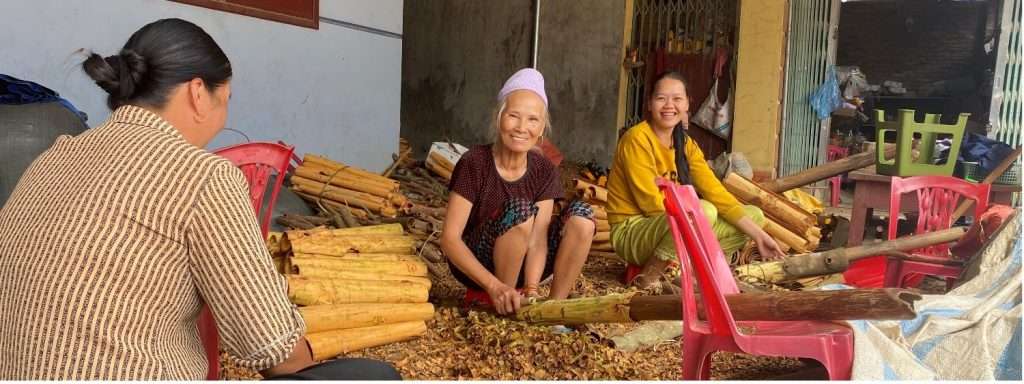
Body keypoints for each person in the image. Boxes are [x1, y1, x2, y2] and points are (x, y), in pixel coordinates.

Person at [0, 18, 399, 380]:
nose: (224, 116)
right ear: (197, 93)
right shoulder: (203, 177)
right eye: (225, 99)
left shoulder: (56, 155)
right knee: (374, 376)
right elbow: (271, 346)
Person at [606, 71, 785, 291]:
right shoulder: (637, 139)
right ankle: (648, 278)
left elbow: (716, 192)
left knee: (753, 217)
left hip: (671, 225)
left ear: (687, 105)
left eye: (677, 99)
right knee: (702, 211)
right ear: (650, 104)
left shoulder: (686, 144)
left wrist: (759, 236)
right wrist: (694, 222)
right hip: (633, 231)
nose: (669, 105)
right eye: (661, 98)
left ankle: (684, 268)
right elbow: (651, 205)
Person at [441, 68, 595, 316]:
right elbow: (450, 239)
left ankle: (553, 311)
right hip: (480, 263)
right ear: (498, 118)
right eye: (513, 116)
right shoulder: (474, 163)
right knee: (520, 211)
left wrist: (532, 289)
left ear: (542, 127)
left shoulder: (544, 169)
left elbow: (538, 239)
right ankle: (505, 302)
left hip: (525, 260)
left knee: (582, 217)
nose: (522, 127)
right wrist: (495, 286)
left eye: (533, 120)